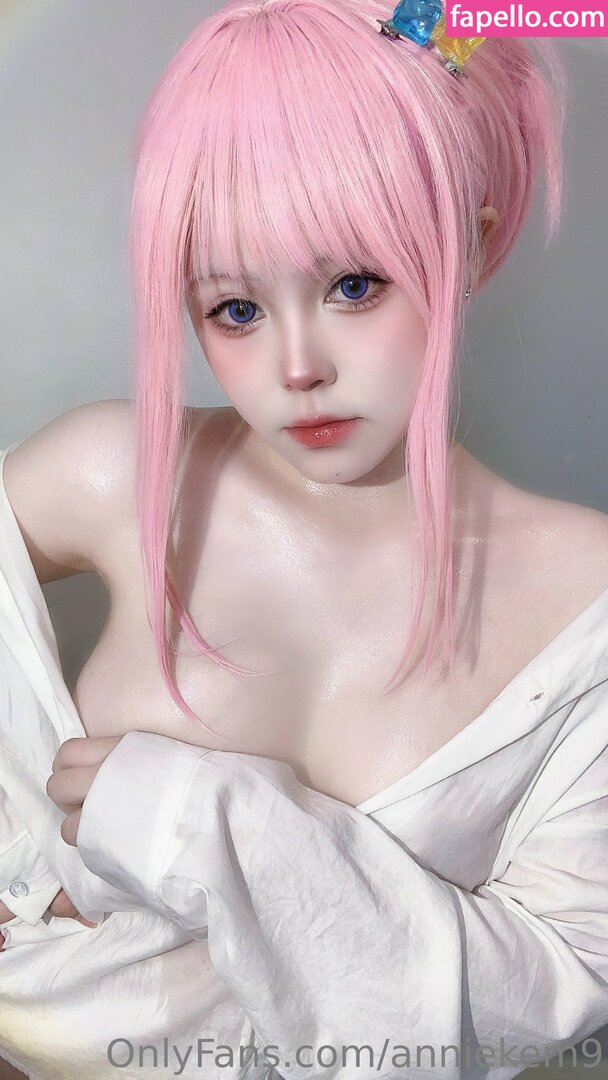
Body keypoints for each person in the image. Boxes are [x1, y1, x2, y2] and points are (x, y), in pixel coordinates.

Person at [1, 0, 607, 1077]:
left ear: (465, 246)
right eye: (233, 309)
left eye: (352, 285)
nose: (297, 368)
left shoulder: (583, 598)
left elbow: (552, 997)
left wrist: (209, 824)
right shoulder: (115, 474)